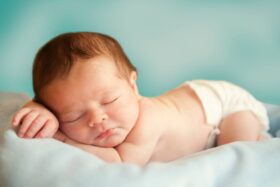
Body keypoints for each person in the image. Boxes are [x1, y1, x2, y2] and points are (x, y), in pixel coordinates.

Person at [11, 32, 270, 166]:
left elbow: (121, 162)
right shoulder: (81, 108)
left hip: (223, 105)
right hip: (192, 101)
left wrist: (63, 138)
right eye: (74, 115)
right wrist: (37, 109)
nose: (97, 118)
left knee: (236, 150)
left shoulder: (147, 120)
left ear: (133, 86)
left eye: (110, 100)